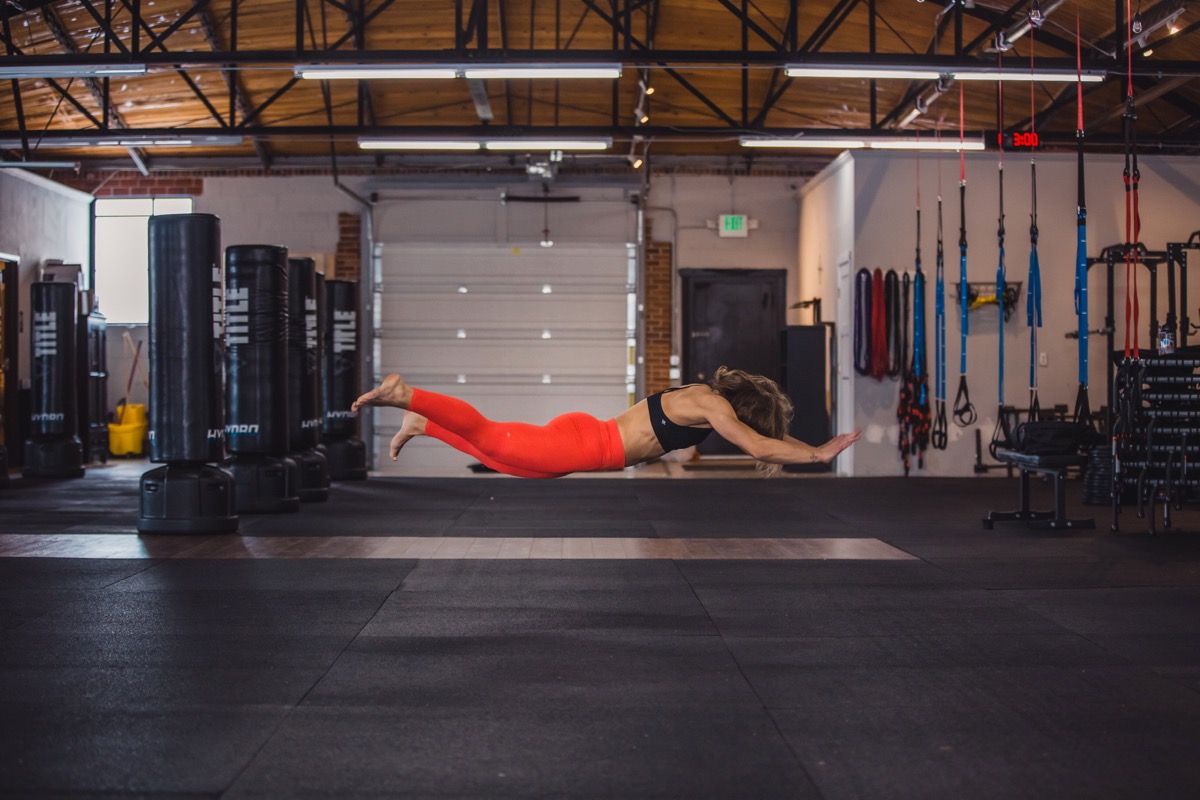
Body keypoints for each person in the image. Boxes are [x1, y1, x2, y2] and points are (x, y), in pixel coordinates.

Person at [351, 366, 861, 479]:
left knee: (509, 464)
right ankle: (407, 397)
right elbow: (760, 447)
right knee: (489, 437)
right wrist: (819, 454)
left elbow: (763, 438)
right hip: (587, 445)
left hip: (586, 437)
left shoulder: (706, 398)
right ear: (741, 409)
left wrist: (811, 443)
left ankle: (425, 425)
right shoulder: (711, 408)